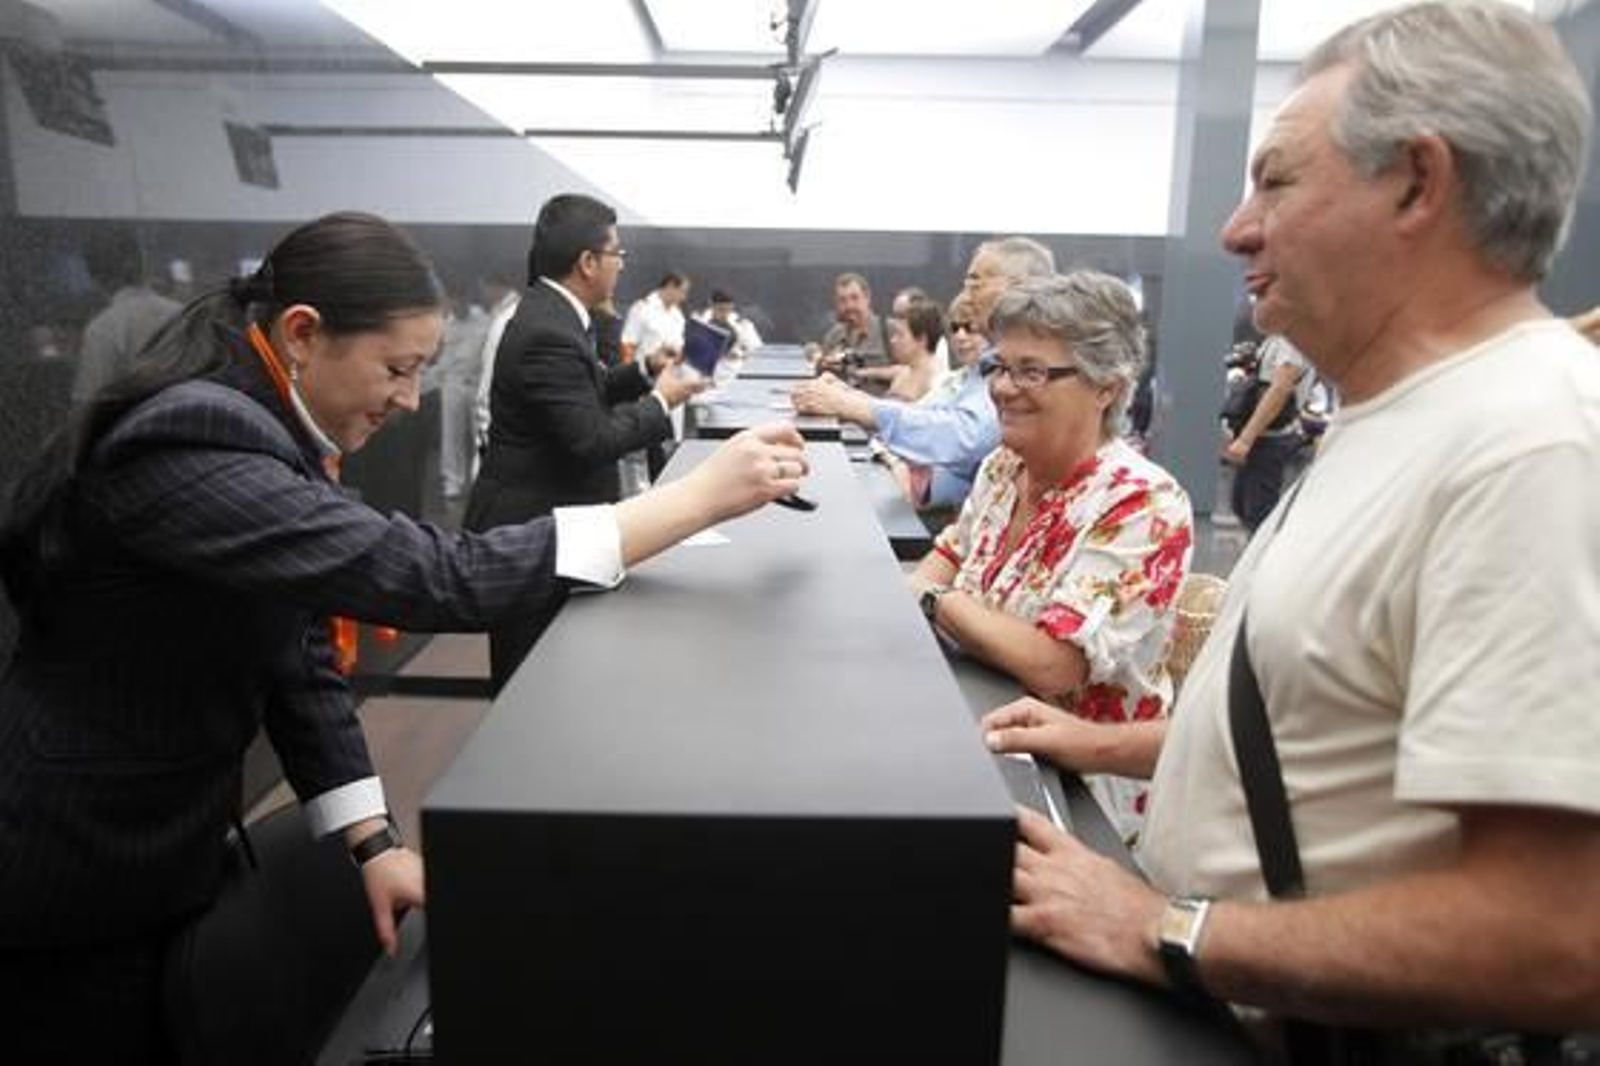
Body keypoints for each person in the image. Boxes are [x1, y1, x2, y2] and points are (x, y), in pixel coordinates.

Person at [0, 211, 809, 1063]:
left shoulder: (261, 423)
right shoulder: (199, 437)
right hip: (73, 866)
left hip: (161, 847)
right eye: (397, 368)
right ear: (303, 334)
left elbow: (295, 649)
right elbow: (435, 575)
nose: (411, 399)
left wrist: (372, 842)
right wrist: (690, 502)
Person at [985, 2, 1600, 1054]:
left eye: (1275, 181)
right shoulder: (1406, 417)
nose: (1237, 228)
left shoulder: (1532, 446)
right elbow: (1328, 720)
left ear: (1417, 182)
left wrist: (1167, 929)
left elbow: (1555, 933)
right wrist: (1102, 745)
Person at [910, 272, 1192, 841]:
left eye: (1031, 371)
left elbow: (1052, 664)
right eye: (999, 366)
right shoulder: (1004, 467)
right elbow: (946, 554)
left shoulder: (1143, 503)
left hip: (1078, 795)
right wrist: (936, 591)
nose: (1003, 388)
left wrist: (937, 600)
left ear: (1106, 387)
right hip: (984, 730)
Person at [465, 193, 704, 692]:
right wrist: (661, 402)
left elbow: (581, 393)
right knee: (530, 687)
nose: (621, 264)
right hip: (530, 529)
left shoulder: (552, 313)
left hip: (548, 522)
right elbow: (590, 439)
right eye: (617, 253)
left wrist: (644, 371)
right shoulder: (548, 330)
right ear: (588, 262)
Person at [792, 237, 1054, 517]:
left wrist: (857, 407)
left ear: (1021, 288)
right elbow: (939, 417)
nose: (966, 296)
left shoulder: (1022, 364)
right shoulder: (985, 367)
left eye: (975, 283)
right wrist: (849, 398)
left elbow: (967, 436)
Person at [70, 224, 181, 406]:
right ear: (142, 263)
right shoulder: (184, 314)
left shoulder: (103, 329)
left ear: (93, 274)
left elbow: (87, 408)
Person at [1222, 333, 1308, 531]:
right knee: (1242, 505)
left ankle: (1265, 550)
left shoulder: (1290, 342)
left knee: (1259, 515)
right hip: (1259, 437)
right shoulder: (1276, 338)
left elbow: (1280, 389)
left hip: (1270, 439)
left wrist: (1246, 439)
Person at [812, 272, 888, 373]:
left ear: (867, 298)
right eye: (842, 300)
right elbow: (823, 374)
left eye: (855, 298)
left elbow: (907, 371)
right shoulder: (833, 337)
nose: (849, 306)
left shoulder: (889, 332)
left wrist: (870, 373)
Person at [699, 288, 764, 357]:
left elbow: (756, 350)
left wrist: (739, 352)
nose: (725, 313)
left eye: (728, 309)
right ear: (712, 307)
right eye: (721, 309)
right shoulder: (701, 326)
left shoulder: (744, 325)